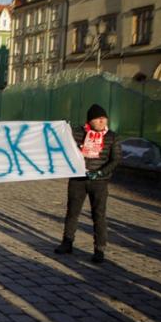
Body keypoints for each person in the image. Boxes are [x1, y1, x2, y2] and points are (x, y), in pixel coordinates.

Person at [55, 104, 122, 264]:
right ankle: (67, 242)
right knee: (72, 212)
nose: (101, 121)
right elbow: (64, 144)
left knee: (99, 215)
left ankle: (99, 248)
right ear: (89, 120)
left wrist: (101, 172)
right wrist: (63, 128)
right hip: (78, 179)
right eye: (97, 118)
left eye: (103, 118)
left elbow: (116, 159)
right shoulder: (78, 133)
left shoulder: (112, 137)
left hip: (99, 182)